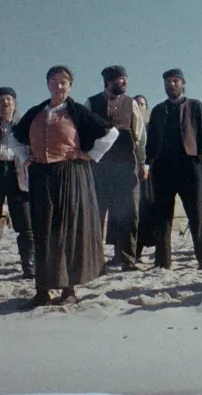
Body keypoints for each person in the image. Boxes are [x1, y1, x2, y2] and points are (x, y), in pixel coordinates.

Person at [12, 66, 119, 308]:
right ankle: (42, 289)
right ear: (47, 84)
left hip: (69, 174)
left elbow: (111, 133)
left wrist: (89, 154)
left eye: (63, 82)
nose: (58, 86)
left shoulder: (77, 111)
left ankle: (68, 288)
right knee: (42, 230)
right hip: (41, 176)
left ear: (70, 86)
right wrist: (24, 155)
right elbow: (14, 136)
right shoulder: (36, 112)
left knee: (67, 231)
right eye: (54, 81)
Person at [146, 68, 202, 269]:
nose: (172, 84)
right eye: (168, 81)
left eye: (175, 81)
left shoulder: (195, 105)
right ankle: (162, 261)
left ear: (183, 83)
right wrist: (150, 160)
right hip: (163, 166)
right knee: (162, 215)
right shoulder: (158, 110)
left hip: (189, 164)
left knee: (197, 212)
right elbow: (151, 139)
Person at [85, 65, 146, 271]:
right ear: (108, 82)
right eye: (120, 79)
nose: (125, 83)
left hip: (127, 166)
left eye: (125, 79)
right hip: (99, 168)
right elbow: (84, 134)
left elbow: (139, 136)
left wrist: (142, 163)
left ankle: (128, 259)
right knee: (97, 213)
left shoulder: (131, 104)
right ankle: (95, 261)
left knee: (128, 212)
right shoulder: (91, 103)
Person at [0, 87, 33, 279]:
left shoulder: (24, 124)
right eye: (2, 100)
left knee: (25, 223)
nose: (5, 103)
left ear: (14, 103)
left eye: (8, 100)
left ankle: (29, 266)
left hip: (17, 173)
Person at [133, 94, 155, 261]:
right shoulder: (127, 127)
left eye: (142, 104)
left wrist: (146, 165)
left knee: (145, 212)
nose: (140, 107)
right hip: (128, 173)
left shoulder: (149, 127)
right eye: (137, 104)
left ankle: (140, 250)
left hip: (147, 174)